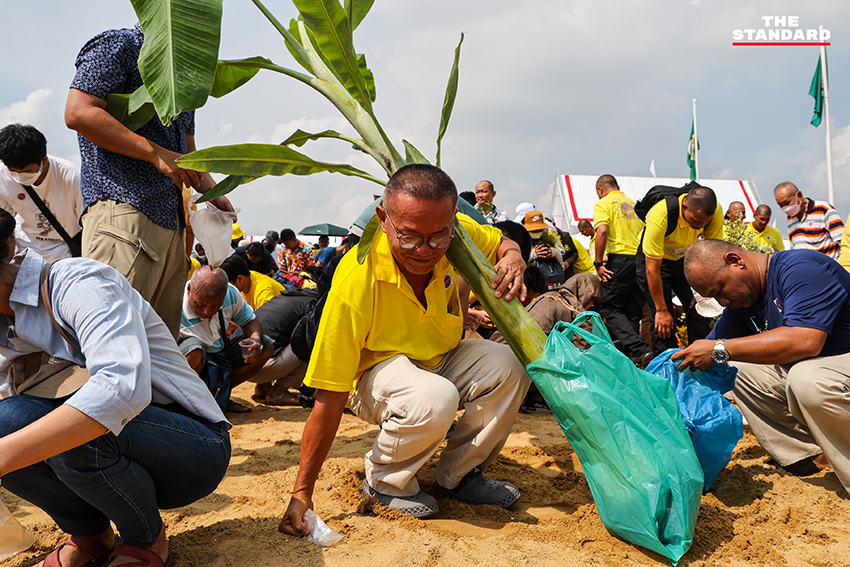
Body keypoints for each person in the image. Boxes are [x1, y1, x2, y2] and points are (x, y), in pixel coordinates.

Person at [279, 164, 530, 532]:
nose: (425, 251)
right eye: (410, 238)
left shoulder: (457, 233)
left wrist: (512, 256)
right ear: (383, 218)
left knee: (509, 365)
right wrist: (302, 491)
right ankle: (386, 480)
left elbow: (502, 242)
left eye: (438, 238)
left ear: (453, 221)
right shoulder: (355, 281)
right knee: (435, 396)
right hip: (377, 379)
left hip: (439, 358)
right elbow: (329, 393)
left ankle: (459, 475)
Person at [0, 210, 230, 567]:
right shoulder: (6, 321)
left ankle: (146, 539)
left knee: (81, 429)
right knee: (7, 421)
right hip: (118, 445)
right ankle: (91, 533)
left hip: (191, 446)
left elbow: (121, 390)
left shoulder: (77, 282)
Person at [65, 24, 234, 340]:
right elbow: (79, 112)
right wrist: (154, 153)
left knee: (159, 347)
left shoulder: (184, 76)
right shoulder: (120, 45)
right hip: (125, 210)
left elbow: (186, 147)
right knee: (112, 342)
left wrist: (213, 191)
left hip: (170, 225)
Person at [672, 239, 850, 494]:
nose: (722, 302)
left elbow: (805, 341)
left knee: (806, 379)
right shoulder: (746, 301)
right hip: (822, 371)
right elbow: (707, 356)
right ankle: (810, 456)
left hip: (839, 360)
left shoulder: (802, 269)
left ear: (736, 261)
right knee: (734, 368)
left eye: (720, 289)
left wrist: (720, 350)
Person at [636, 185, 723, 355]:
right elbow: (652, 270)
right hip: (656, 264)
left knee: (700, 312)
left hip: (686, 260)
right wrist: (661, 310)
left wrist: (701, 291)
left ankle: (699, 362)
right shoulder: (660, 215)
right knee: (664, 323)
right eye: (697, 221)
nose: (700, 227)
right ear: (685, 205)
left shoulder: (714, 212)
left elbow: (711, 254)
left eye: (704, 223)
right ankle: (668, 371)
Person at [179, 266, 274, 413]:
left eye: (215, 306)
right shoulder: (173, 300)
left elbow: (250, 321)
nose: (207, 312)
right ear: (189, 290)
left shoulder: (231, 293)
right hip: (188, 359)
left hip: (219, 356)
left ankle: (218, 397)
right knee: (195, 350)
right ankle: (188, 406)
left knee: (265, 345)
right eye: (200, 304)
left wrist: (255, 340)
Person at [0, 124, 84, 262]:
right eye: (14, 171)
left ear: (43, 160)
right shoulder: (2, 177)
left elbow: (87, 223)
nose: (20, 176)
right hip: (25, 251)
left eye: (27, 171)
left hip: (66, 251)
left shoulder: (69, 176)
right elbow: (4, 222)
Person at [592, 174, 651, 365]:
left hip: (618, 259)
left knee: (610, 309)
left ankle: (639, 349)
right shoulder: (634, 204)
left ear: (600, 189)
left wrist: (599, 263)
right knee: (631, 312)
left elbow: (601, 231)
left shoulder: (603, 204)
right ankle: (634, 357)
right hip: (639, 260)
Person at [250, 290, 318, 406]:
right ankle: (277, 393)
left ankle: (263, 387)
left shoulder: (286, 298)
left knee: (278, 335)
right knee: (308, 343)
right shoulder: (314, 305)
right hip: (260, 368)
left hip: (244, 365)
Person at [774, 181, 842, 258]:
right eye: (781, 205)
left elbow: (843, 241)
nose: (785, 208)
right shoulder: (790, 218)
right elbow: (794, 247)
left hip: (826, 267)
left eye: (787, 203)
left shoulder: (823, 209)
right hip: (804, 268)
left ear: (799, 195)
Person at [220, 253, 285, 309]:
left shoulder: (262, 293)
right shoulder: (247, 279)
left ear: (240, 279)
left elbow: (268, 319)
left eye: (229, 285)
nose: (227, 290)